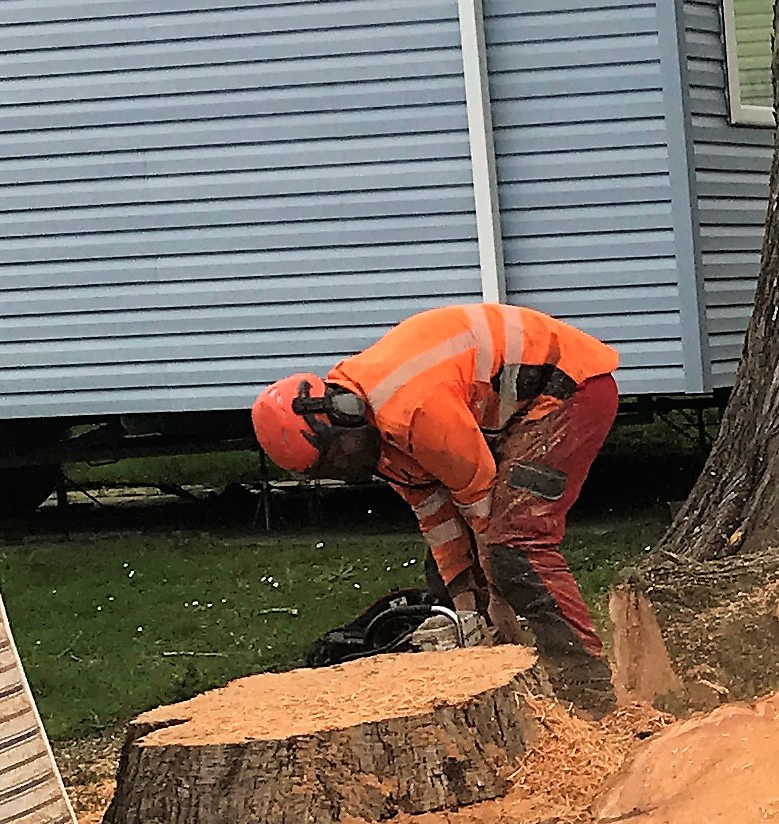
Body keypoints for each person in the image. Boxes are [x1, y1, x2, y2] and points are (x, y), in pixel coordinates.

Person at [252, 304, 625, 712]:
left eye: (337, 459)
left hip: (570, 390)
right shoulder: (376, 432)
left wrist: (497, 597)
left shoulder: (414, 411)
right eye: (325, 470)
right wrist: (464, 600)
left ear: (344, 415)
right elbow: (434, 513)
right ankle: (511, 686)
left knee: (513, 544)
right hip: (517, 408)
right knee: (452, 569)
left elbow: (481, 501)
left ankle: (589, 691)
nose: (343, 472)